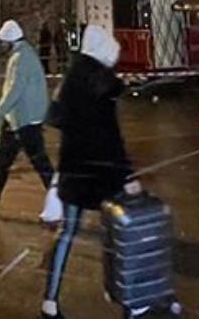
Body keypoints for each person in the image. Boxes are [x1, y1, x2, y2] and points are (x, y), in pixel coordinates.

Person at [41, 25, 141, 319]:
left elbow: (55, 118)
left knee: (67, 233)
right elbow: (111, 137)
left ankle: (49, 302)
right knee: (119, 235)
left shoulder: (72, 80)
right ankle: (131, 301)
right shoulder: (102, 86)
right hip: (103, 175)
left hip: (73, 170)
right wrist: (128, 176)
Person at [0, 19, 57, 220]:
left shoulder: (21, 58)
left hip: (25, 121)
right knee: (3, 163)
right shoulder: (23, 54)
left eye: (3, 43)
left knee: (40, 164)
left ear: (9, 41)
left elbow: (14, 92)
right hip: (16, 119)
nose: (2, 47)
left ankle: (58, 204)